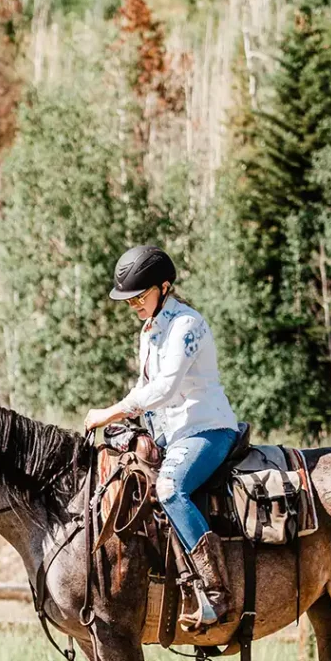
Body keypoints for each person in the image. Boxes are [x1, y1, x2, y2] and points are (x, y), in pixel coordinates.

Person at [84, 245, 239, 626]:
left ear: (164, 287)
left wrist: (111, 412)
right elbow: (145, 385)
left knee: (170, 488)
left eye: (140, 296)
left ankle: (217, 593)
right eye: (130, 299)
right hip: (170, 434)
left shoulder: (187, 325)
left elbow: (166, 389)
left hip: (206, 428)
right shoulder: (150, 330)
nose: (134, 304)